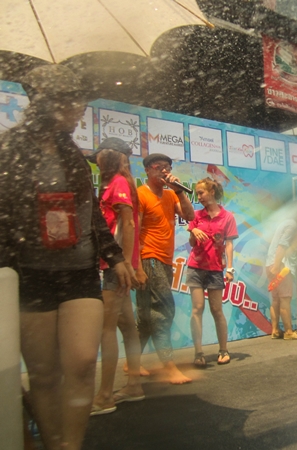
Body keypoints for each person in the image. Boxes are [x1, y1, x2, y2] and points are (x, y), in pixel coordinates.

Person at [0, 65, 132, 450]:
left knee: (82, 362)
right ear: (48, 102)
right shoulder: (10, 150)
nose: (79, 113)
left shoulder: (72, 153)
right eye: (74, 104)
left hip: (80, 271)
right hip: (30, 274)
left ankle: (69, 446)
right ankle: (53, 441)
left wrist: (114, 256)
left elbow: (91, 213)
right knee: (43, 375)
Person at [87, 138, 145, 415]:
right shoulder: (116, 183)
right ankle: (134, 385)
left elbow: (129, 223)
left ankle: (104, 396)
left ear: (109, 156)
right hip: (116, 265)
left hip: (115, 267)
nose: (96, 162)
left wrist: (125, 263)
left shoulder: (119, 183)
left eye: (98, 157)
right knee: (126, 326)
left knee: (107, 329)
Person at [136, 152, 195, 384]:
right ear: (147, 170)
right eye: (158, 167)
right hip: (148, 258)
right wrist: (136, 266)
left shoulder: (171, 195)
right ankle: (169, 367)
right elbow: (133, 231)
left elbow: (190, 216)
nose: (164, 171)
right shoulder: (140, 194)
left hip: (165, 261)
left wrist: (179, 191)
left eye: (167, 167)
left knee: (147, 315)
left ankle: (131, 362)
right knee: (163, 311)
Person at [186, 177, 238, 367]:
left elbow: (229, 244)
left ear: (212, 192)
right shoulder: (196, 215)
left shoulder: (227, 217)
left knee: (217, 310)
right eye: (197, 193)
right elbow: (192, 243)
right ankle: (198, 352)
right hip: (195, 266)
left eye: (201, 193)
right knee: (197, 308)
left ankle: (223, 350)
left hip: (215, 268)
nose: (198, 197)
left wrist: (230, 268)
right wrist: (193, 232)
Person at [266, 218, 297, 340]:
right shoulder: (292, 225)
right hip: (282, 267)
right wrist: (277, 265)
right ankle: (288, 331)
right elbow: (282, 245)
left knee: (276, 299)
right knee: (285, 299)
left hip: (270, 263)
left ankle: (275, 330)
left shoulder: (283, 223)